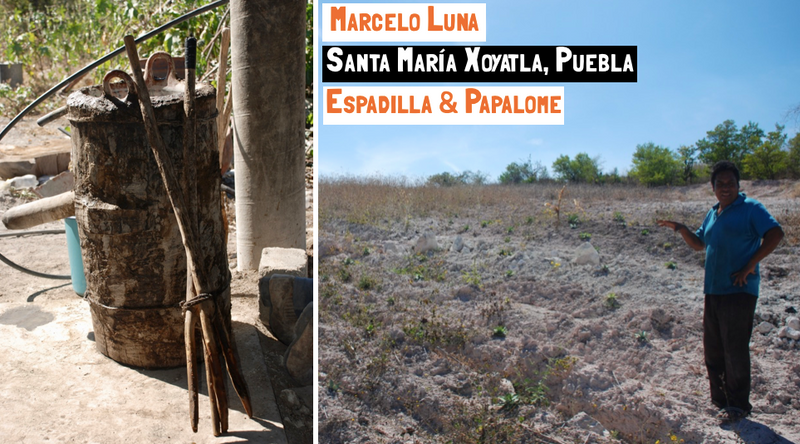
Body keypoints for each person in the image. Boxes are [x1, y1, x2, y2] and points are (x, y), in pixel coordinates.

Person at [657, 160, 784, 424]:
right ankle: (721, 401)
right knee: (713, 349)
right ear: (712, 187)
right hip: (713, 290)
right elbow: (699, 244)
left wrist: (750, 265)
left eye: (730, 183)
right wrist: (680, 228)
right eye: (720, 183)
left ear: (739, 185)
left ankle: (738, 406)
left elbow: (775, 234)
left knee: (734, 349)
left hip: (738, 290)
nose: (725, 187)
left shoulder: (751, 209)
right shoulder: (713, 213)